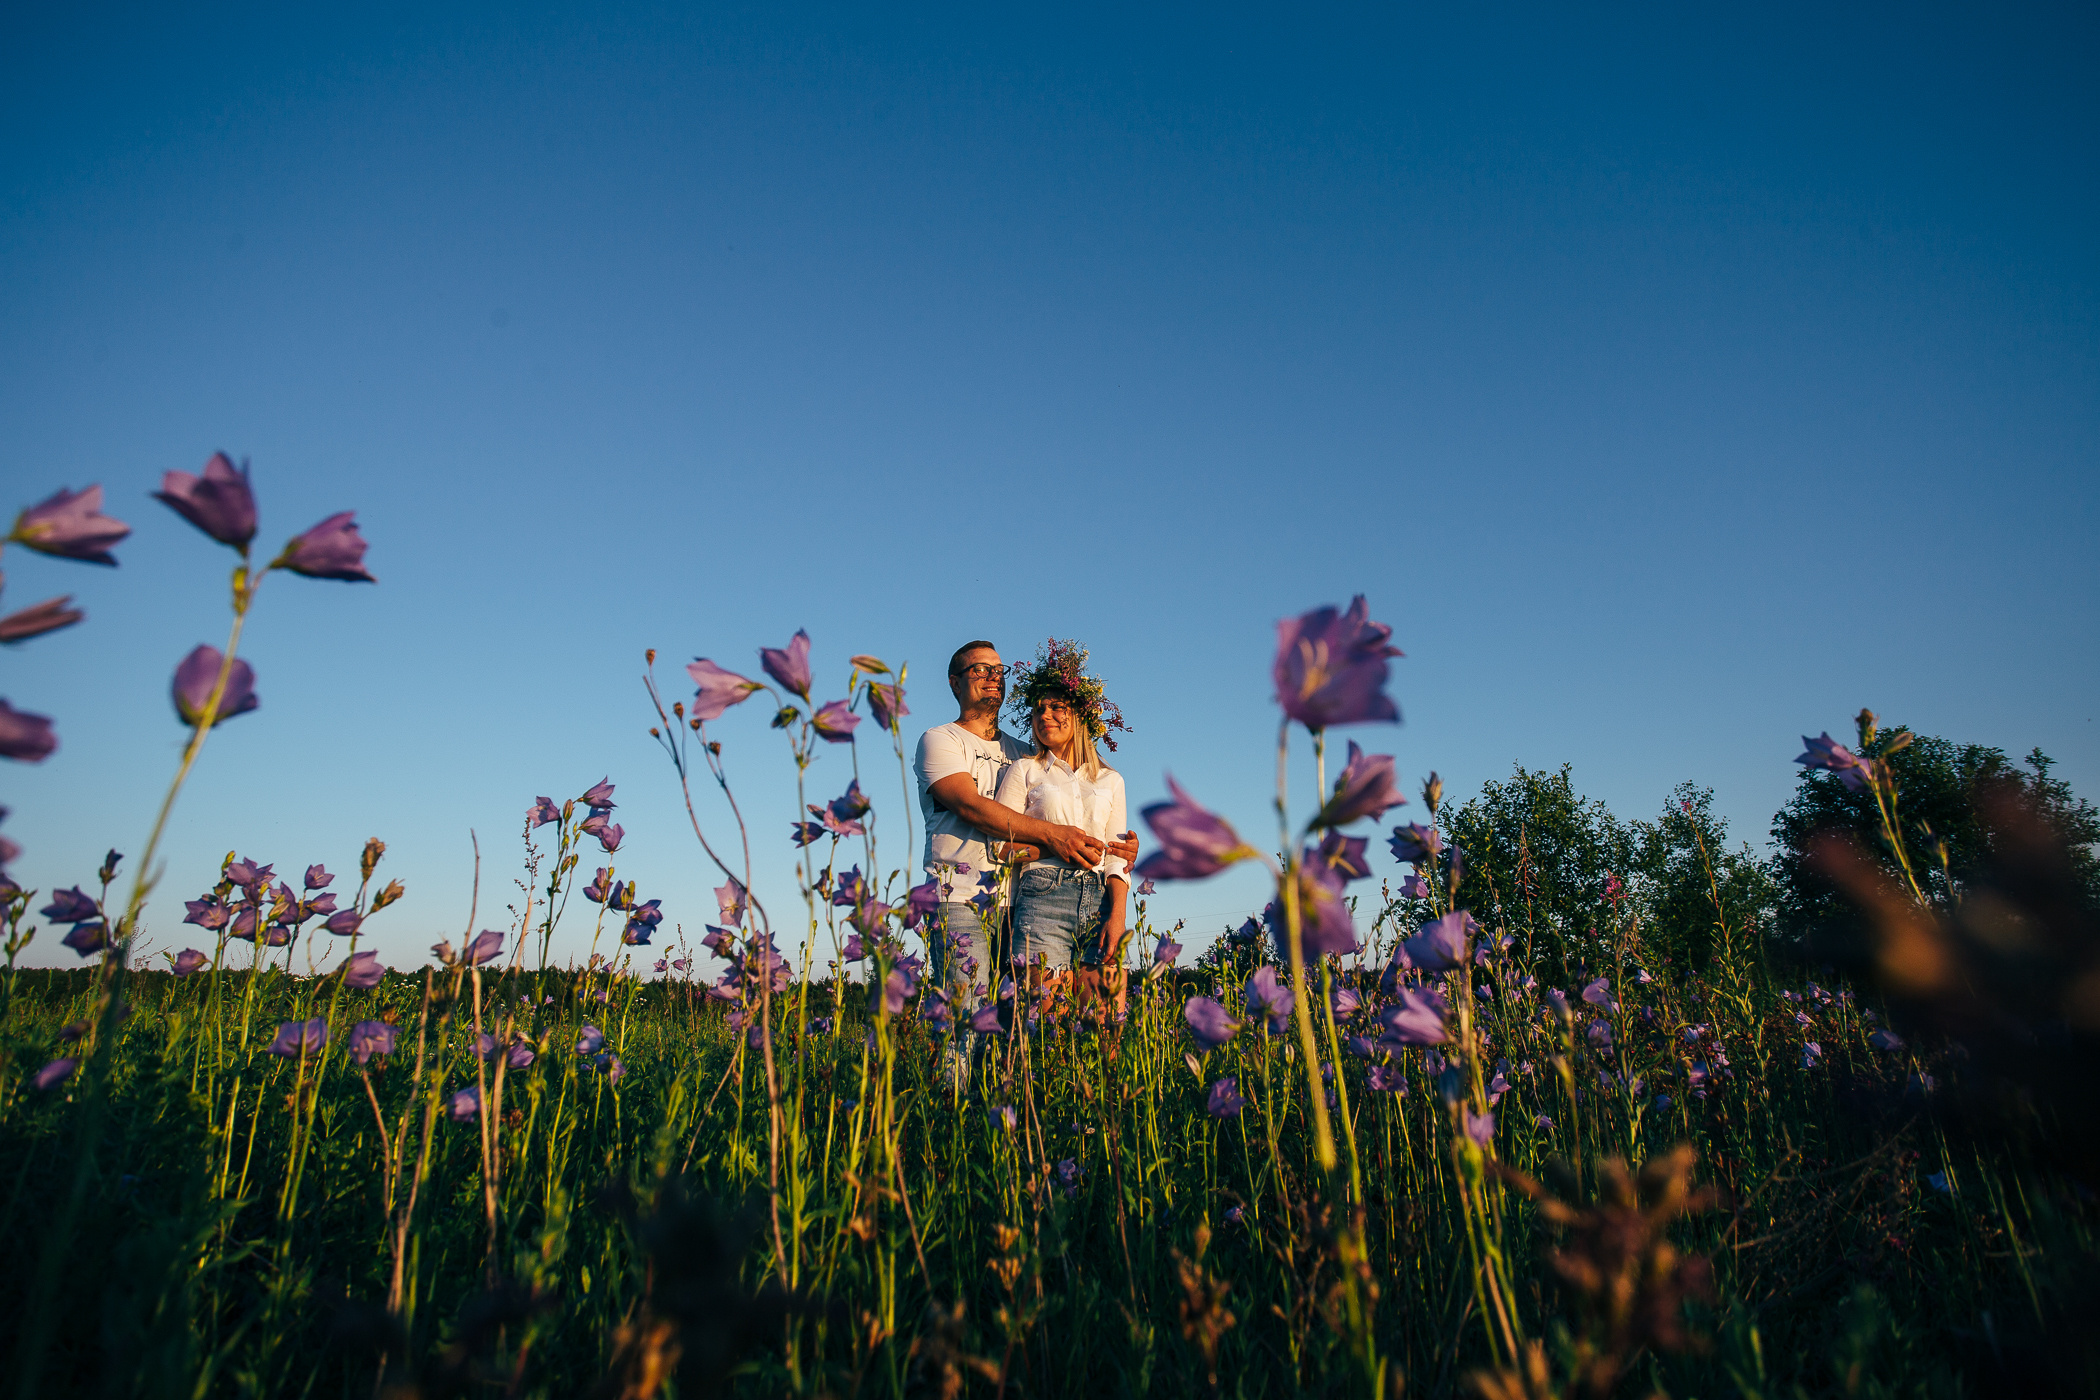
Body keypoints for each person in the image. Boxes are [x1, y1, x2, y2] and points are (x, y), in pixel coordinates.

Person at [913, 640, 1136, 1008]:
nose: (993, 678)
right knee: (966, 1017)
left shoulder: (1023, 754)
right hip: (961, 897)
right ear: (954, 682)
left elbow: (1086, 824)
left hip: (1017, 900)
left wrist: (1119, 849)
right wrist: (1057, 840)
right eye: (980, 670)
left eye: (999, 671)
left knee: (1011, 1028)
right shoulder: (941, 740)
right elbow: (971, 807)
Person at [993, 639, 1132, 1000]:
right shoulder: (1025, 770)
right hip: (1042, 897)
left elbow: (1117, 858)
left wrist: (1118, 916)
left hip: (1100, 900)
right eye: (1038, 709)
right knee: (1045, 1029)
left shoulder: (1111, 780)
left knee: (1107, 1025)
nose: (1044, 715)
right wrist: (1049, 847)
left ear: (1081, 715)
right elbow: (1001, 847)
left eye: (1057, 706)